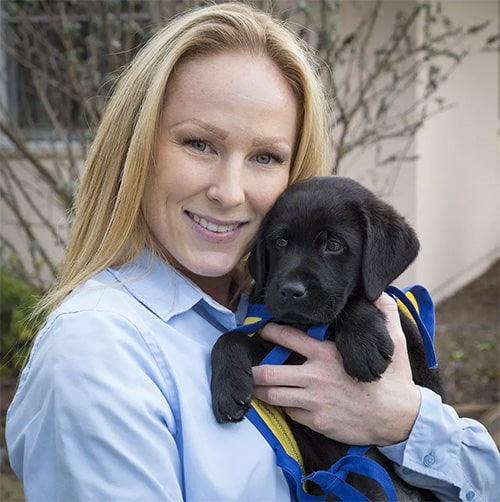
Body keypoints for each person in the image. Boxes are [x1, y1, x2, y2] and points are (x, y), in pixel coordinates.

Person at [5, 3, 499, 501]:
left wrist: (401, 421)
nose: (229, 191)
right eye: (199, 144)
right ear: (137, 151)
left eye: (265, 156)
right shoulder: (97, 355)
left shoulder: (263, 306)